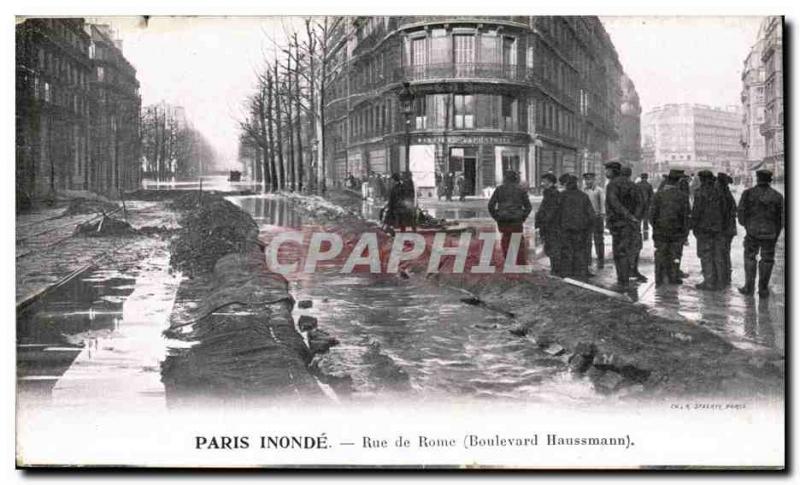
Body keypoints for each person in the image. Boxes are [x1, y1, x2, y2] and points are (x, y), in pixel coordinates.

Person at [737, 169, 784, 297]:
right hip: (770, 233)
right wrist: (775, 231)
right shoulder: (777, 196)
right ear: (770, 180)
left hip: (752, 232)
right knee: (767, 260)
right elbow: (782, 219)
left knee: (749, 257)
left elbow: (740, 213)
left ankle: (749, 287)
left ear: (757, 179)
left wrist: (747, 226)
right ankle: (763, 289)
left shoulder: (748, 193)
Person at [649, 169, 691, 286]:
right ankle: (673, 277)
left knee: (660, 255)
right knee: (675, 256)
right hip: (677, 233)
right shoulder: (683, 196)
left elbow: (651, 216)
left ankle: (659, 279)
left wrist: (656, 228)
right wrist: (685, 233)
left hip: (661, 232)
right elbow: (686, 216)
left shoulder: (658, 195)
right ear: (678, 181)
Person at [604, 161, 640, 290]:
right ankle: (624, 280)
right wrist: (635, 218)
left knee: (619, 252)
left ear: (613, 171)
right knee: (626, 251)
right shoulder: (632, 185)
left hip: (618, 223)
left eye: (607, 170)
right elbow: (640, 203)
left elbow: (614, 203)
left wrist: (627, 215)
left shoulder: (612, 185)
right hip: (629, 224)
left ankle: (623, 281)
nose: (605, 173)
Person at [488, 170, 532, 266]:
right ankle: (520, 264)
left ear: (505, 178)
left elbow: (491, 205)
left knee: (505, 239)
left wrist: (497, 216)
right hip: (516, 219)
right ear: (515, 179)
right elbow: (528, 207)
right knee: (518, 241)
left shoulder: (499, 189)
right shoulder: (520, 190)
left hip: (503, 219)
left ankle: (509, 262)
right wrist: (523, 217)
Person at [556, 174, 596, 279]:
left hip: (565, 228)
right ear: (576, 184)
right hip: (580, 229)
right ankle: (581, 271)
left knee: (566, 250)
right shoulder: (583, 196)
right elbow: (591, 214)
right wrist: (589, 226)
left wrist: (558, 226)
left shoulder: (562, 195)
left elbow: (557, 212)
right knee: (580, 250)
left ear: (567, 184)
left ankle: (566, 272)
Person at [691, 170, 724, 291]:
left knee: (705, 255)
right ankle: (719, 281)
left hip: (704, 229)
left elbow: (696, 212)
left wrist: (694, 227)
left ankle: (709, 282)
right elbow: (725, 211)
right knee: (717, 255)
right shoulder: (719, 192)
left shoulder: (700, 193)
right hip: (718, 229)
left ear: (702, 179)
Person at [622, 166, 647, 282]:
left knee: (623, 248)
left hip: (621, 223)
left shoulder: (614, 187)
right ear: (630, 175)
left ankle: (624, 273)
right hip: (633, 223)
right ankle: (633, 270)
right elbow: (641, 204)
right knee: (636, 247)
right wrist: (636, 218)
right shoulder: (635, 187)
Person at [535, 173, 561, 275]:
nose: (542, 183)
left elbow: (551, 211)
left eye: (544, 181)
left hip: (551, 226)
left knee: (553, 247)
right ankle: (555, 268)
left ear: (550, 182)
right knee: (550, 247)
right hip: (550, 225)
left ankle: (556, 269)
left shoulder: (552, 193)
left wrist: (544, 222)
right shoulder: (550, 193)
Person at [717, 172, 737, 286]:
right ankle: (726, 275)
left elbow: (721, 212)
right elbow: (734, 209)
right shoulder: (727, 192)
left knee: (721, 252)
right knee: (725, 252)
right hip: (729, 228)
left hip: (723, 229)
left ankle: (723, 277)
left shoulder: (721, 193)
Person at [582, 172, 605, 269]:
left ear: (594, 180)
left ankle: (600, 260)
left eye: (590, 179)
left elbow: (603, 204)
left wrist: (602, 215)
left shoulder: (599, 190)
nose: (588, 181)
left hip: (597, 217)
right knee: (587, 240)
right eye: (586, 180)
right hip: (587, 218)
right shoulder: (583, 191)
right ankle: (588, 260)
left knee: (598, 240)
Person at [636, 173, 654, 240]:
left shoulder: (637, 185)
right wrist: (650, 205)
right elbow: (651, 197)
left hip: (638, 206)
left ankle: (638, 235)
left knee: (638, 220)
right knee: (645, 221)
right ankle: (645, 236)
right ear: (647, 177)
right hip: (646, 206)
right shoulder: (649, 186)